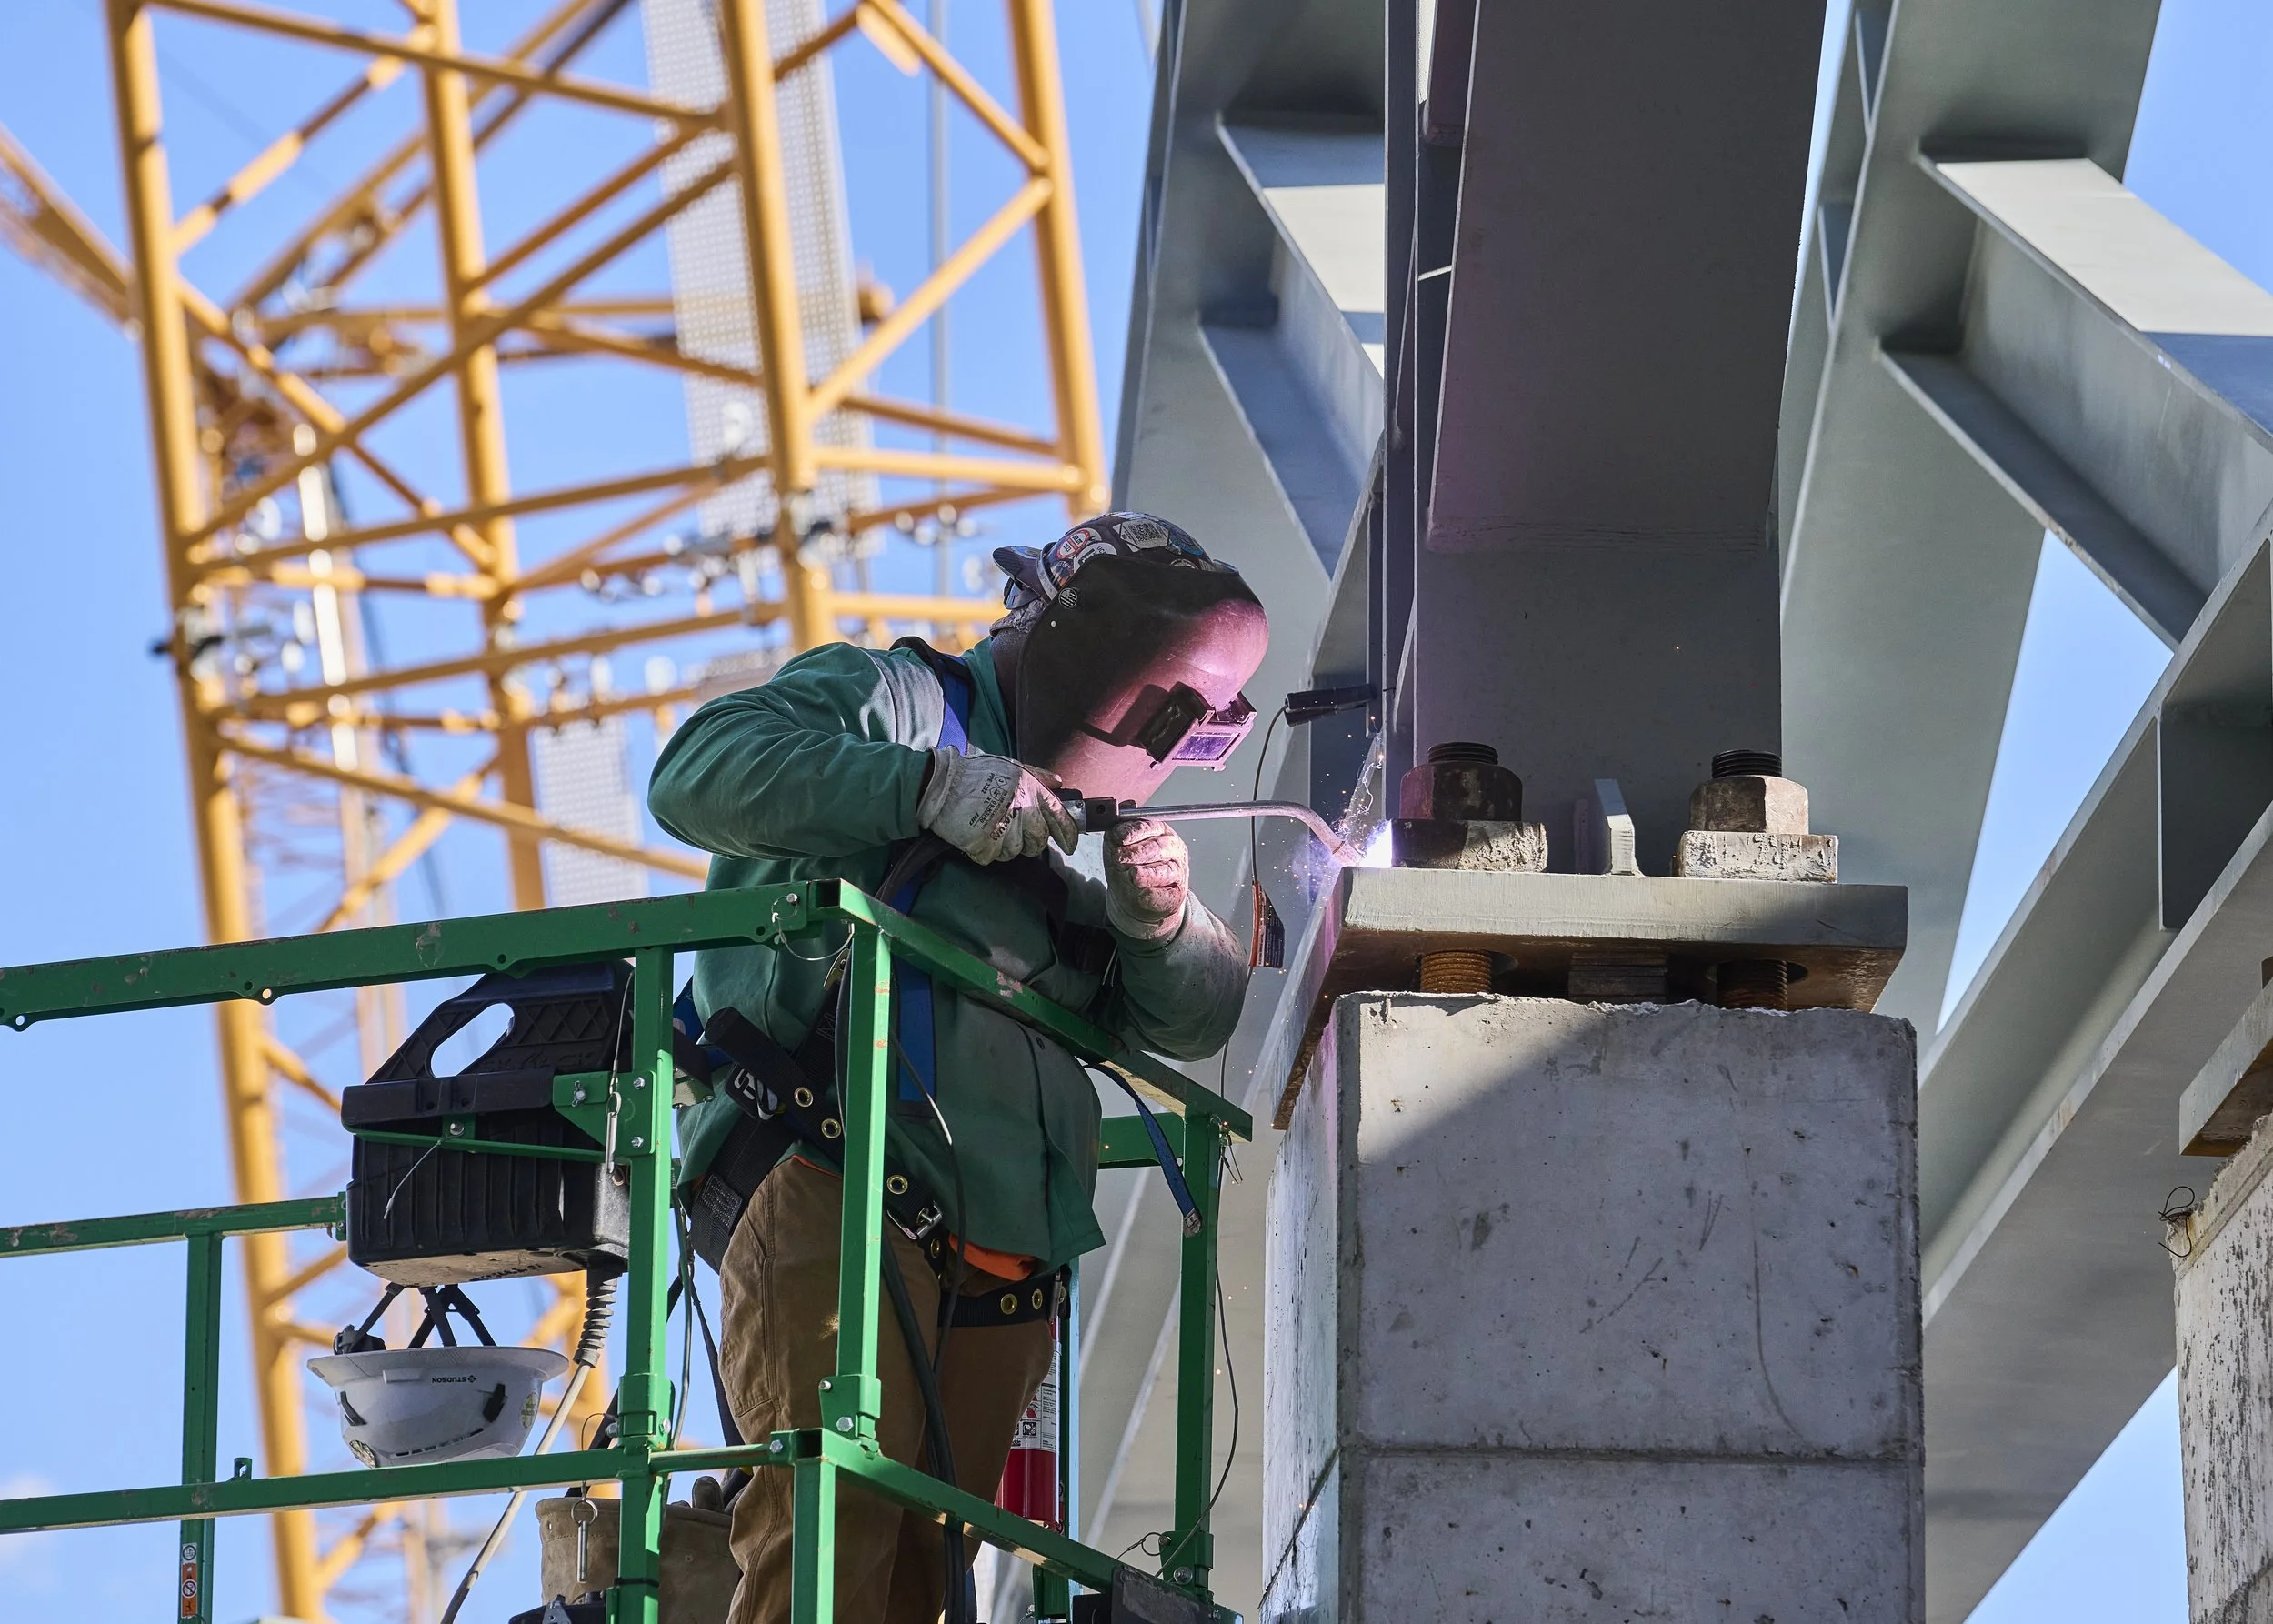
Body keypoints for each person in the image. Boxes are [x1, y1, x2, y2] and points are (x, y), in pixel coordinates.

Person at [648, 511, 1269, 1624]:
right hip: (831, 1175)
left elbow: (1198, 1011)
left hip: (1004, 1263)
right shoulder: (896, 703)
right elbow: (696, 771)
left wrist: (1162, 924)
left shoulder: (1062, 856)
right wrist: (925, 788)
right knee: (829, 1534)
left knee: (923, 1586)